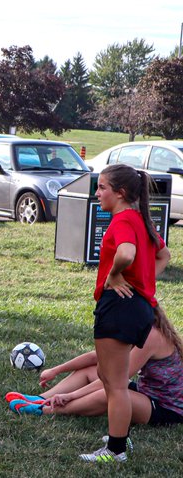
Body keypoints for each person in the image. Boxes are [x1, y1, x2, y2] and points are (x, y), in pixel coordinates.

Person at [77, 164, 171, 463]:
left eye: (102, 187)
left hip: (120, 306)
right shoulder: (141, 220)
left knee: (116, 384)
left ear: (121, 193)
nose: (97, 193)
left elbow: (127, 253)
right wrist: (144, 281)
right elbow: (163, 254)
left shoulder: (122, 221)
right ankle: (119, 436)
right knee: (109, 376)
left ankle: (115, 450)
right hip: (139, 307)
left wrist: (116, 275)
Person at [6, 306, 182, 429]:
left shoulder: (151, 337)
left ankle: (45, 410)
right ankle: (39, 398)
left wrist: (70, 396)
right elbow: (96, 356)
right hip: (147, 394)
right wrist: (57, 370)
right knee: (93, 369)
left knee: (111, 393)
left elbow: (115, 381)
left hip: (166, 409)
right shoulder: (138, 328)